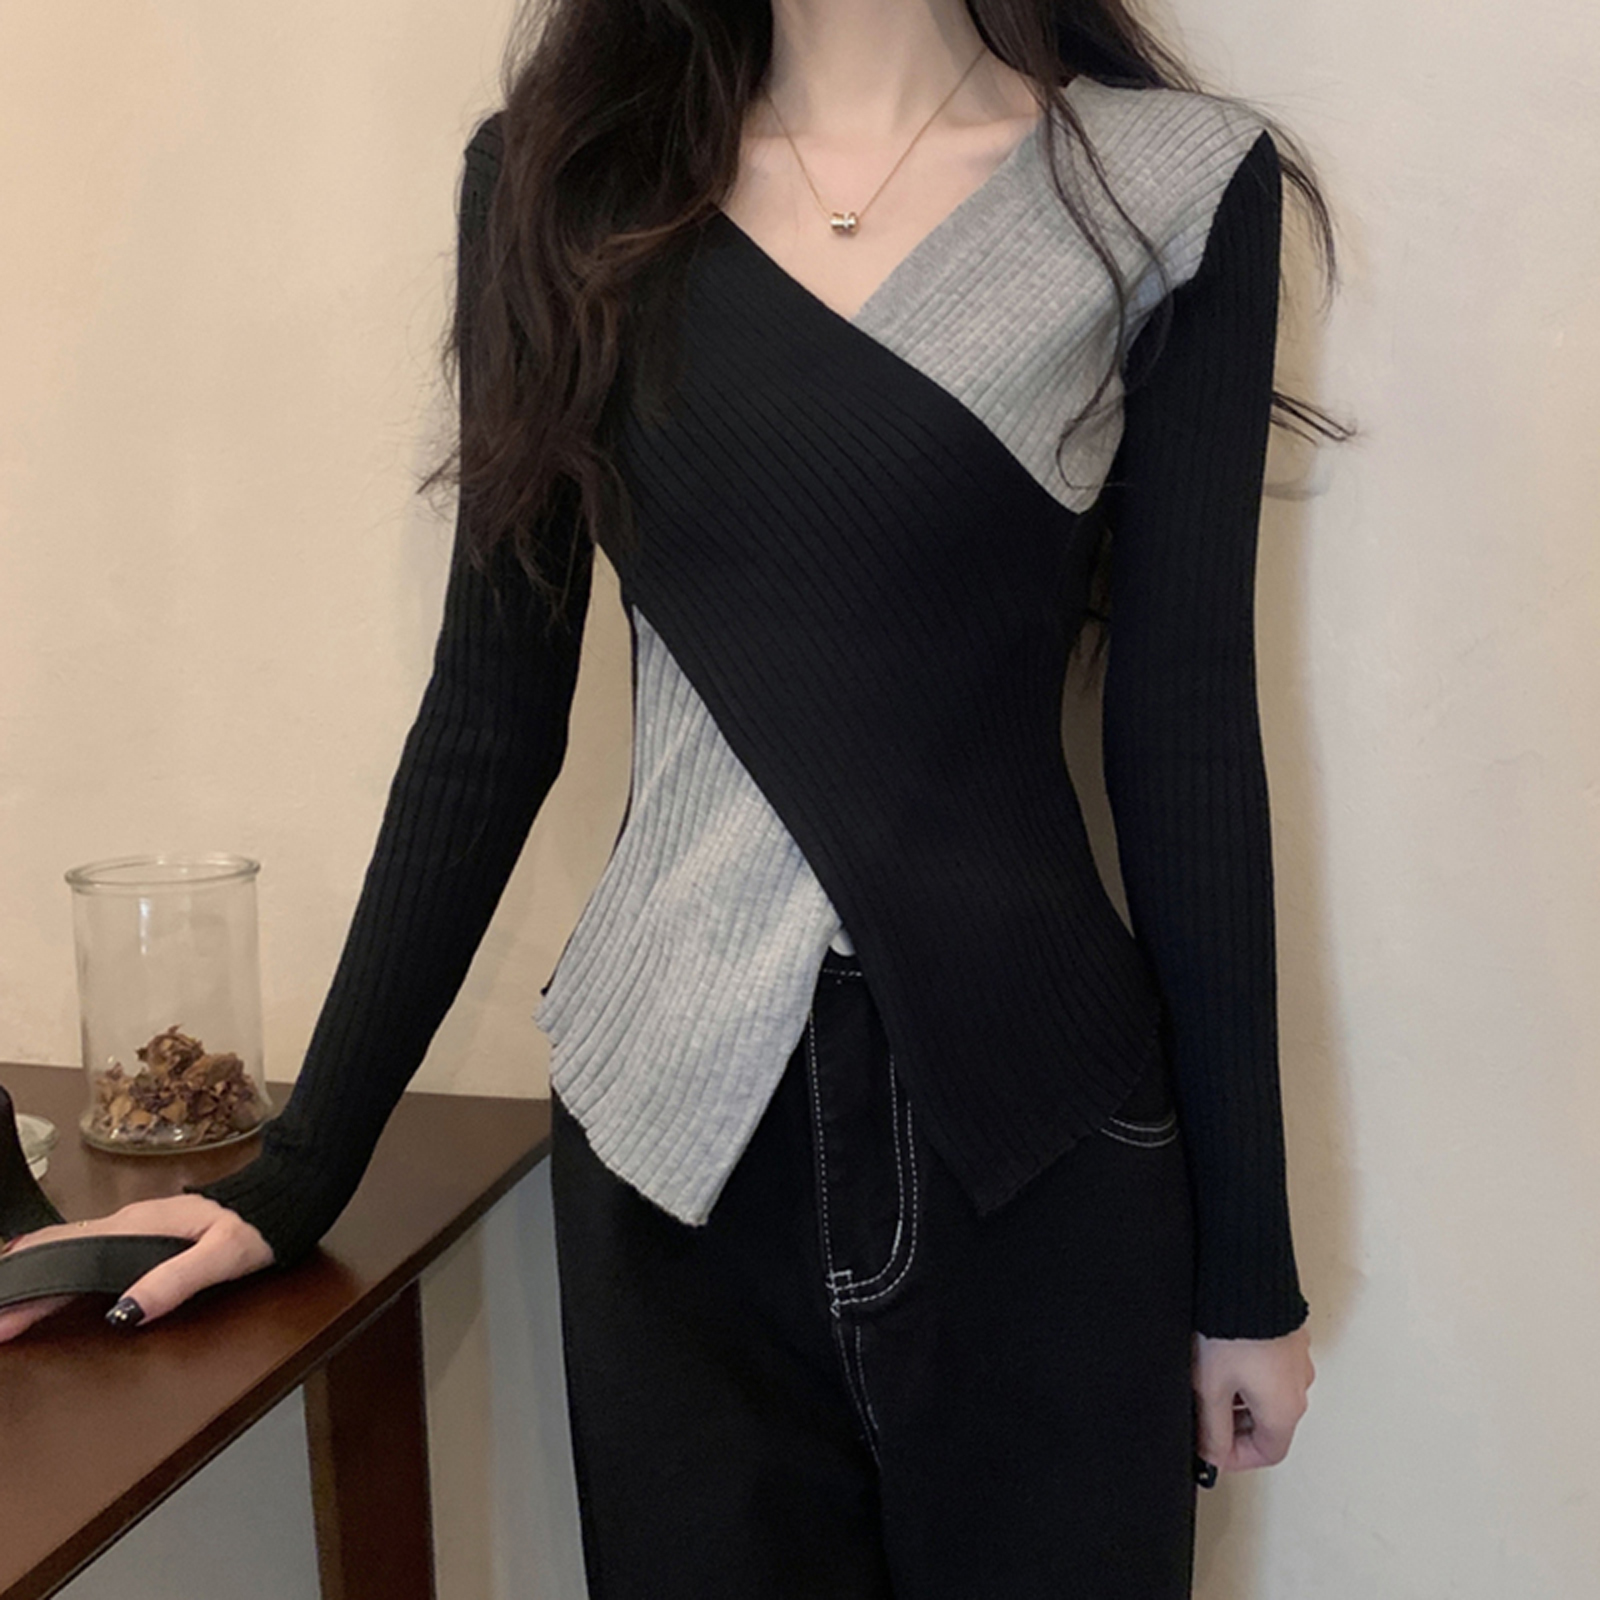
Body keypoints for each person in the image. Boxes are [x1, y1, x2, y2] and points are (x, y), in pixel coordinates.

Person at [1, 1, 1349, 1592]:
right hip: (673, 1150)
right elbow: (490, 713)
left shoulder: (1166, 188)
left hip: (1041, 1136)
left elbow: (1186, 732)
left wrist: (1246, 1274)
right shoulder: (565, 185)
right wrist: (300, 1173)